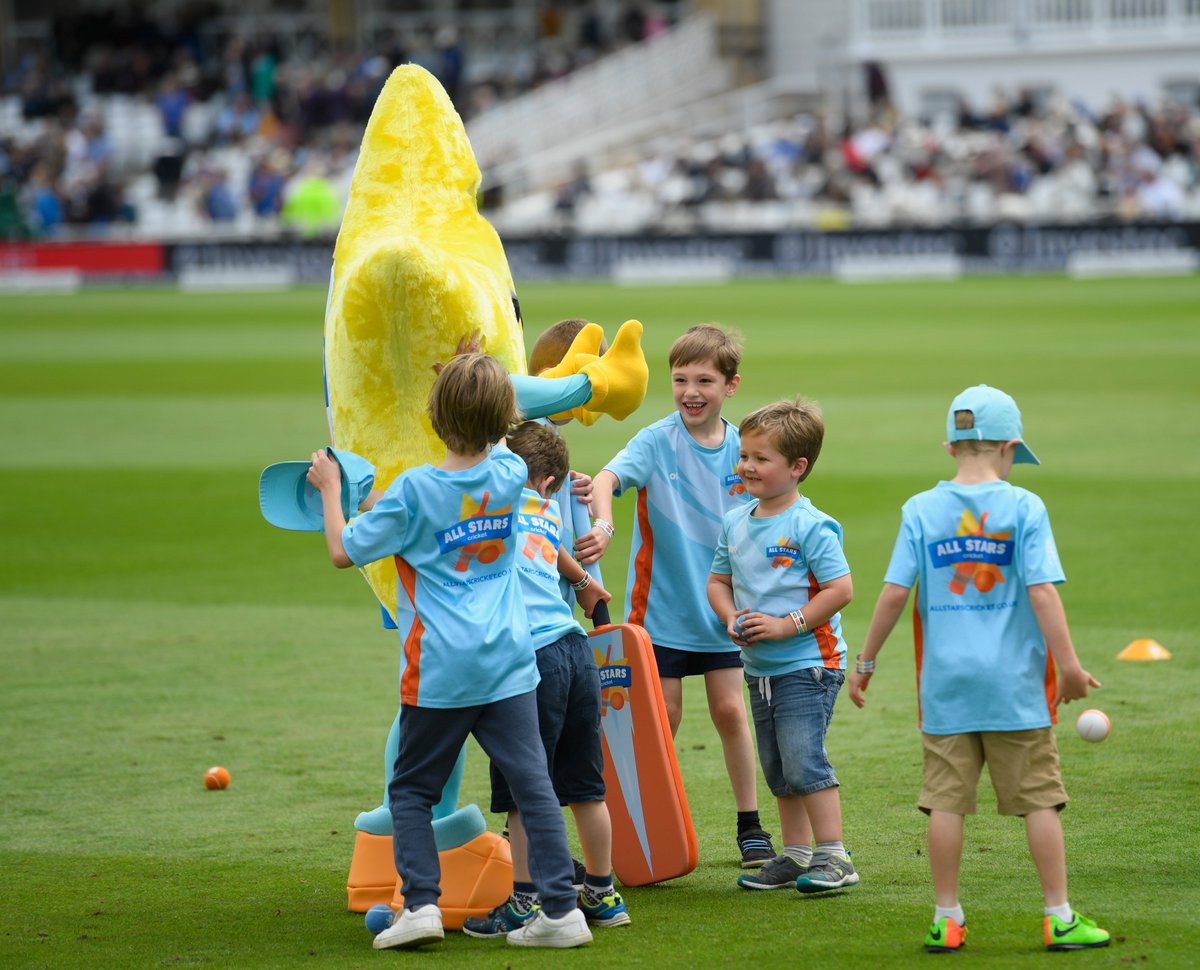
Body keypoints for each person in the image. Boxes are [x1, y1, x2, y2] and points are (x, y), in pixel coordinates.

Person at [306, 353, 591, 951]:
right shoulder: (511, 473)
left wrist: (333, 490)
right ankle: (563, 912)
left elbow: (342, 550)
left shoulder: (413, 493)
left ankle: (420, 907)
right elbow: (462, 479)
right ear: (501, 421)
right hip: (511, 663)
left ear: (433, 417)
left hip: (441, 668)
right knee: (534, 783)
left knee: (411, 790)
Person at [848, 384, 1109, 953]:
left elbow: (894, 594)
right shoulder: (1024, 507)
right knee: (1039, 800)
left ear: (950, 447)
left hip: (945, 687)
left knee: (945, 804)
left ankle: (947, 917)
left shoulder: (920, 509)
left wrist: (864, 662)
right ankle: (1059, 917)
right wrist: (1069, 666)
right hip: (1016, 687)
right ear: (1010, 447)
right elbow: (1042, 594)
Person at [575, 324, 773, 868]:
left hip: (726, 612)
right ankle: (639, 824)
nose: (691, 391)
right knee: (662, 714)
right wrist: (603, 526)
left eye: (705, 380)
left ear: (731, 386)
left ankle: (750, 826)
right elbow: (607, 478)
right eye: (681, 378)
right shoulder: (657, 440)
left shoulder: (744, 448)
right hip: (660, 612)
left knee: (732, 711)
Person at [463, 421, 630, 938]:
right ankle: (602, 894)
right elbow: (557, 550)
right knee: (586, 787)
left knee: (522, 790)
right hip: (576, 649)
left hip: (528, 659)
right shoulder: (546, 510)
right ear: (552, 483)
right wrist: (583, 580)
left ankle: (525, 901)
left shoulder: (498, 508)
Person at [707, 400, 859, 894]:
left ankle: (834, 855)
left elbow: (840, 589)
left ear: (798, 468)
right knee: (776, 765)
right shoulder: (735, 521)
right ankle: (795, 855)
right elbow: (717, 582)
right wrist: (731, 618)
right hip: (759, 667)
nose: (747, 466)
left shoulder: (812, 525)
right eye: (744, 455)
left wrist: (786, 624)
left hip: (809, 663)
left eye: (761, 458)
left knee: (802, 758)